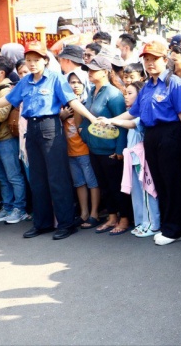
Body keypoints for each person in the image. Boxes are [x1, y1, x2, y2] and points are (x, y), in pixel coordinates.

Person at [0, 41, 98, 241]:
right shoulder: (25, 81)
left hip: (50, 127)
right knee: (37, 180)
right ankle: (43, 223)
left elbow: (71, 101)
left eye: (36, 60)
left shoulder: (55, 78)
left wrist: (91, 118)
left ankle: (66, 223)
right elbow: (9, 99)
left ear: (45, 61)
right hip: (32, 129)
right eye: (29, 60)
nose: (32, 63)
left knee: (57, 178)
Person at [99, 40, 181, 246]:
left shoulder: (174, 83)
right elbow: (133, 113)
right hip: (151, 135)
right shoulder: (146, 87)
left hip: (171, 135)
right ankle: (168, 224)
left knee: (172, 183)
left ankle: (175, 229)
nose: (150, 63)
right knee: (160, 182)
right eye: (147, 59)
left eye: (155, 59)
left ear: (165, 60)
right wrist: (111, 120)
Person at [78, 56, 130, 235]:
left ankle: (124, 219)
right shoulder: (92, 90)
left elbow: (122, 123)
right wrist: (83, 133)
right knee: (105, 186)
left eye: (94, 70)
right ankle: (112, 217)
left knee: (116, 186)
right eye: (89, 70)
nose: (90, 73)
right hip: (94, 148)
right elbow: (86, 118)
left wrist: (119, 149)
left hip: (111, 150)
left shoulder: (114, 94)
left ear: (105, 71)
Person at [106, 80, 160, 238]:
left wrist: (112, 120)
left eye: (130, 93)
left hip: (142, 160)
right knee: (136, 193)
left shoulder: (142, 112)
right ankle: (142, 222)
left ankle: (153, 224)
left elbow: (131, 124)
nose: (126, 97)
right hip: (133, 159)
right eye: (125, 93)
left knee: (147, 192)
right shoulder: (130, 111)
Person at [0, 56, 28, 225]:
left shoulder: (7, 89)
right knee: (2, 177)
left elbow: (2, 114)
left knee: (14, 176)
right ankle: (8, 207)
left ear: (1, 72)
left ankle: (20, 208)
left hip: (6, 139)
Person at [62, 72, 100, 230]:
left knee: (92, 183)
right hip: (71, 152)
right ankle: (84, 213)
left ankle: (94, 214)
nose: (75, 85)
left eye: (79, 82)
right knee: (79, 183)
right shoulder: (63, 105)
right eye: (72, 82)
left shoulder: (86, 103)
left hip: (85, 150)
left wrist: (76, 107)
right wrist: (62, 115)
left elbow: (81, 128)